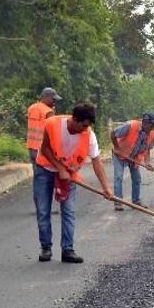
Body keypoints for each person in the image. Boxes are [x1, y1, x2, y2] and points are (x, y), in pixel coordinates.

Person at [34, 102, 113, 264]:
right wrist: (59, 168)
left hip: (69, 174)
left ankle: (67, 250)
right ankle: (46, 247)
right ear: (74, 119)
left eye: (88, 126)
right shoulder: (52, 123)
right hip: (45, 169)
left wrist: (107, 188)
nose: (86, 129)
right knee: (43, 210)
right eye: (83, 125)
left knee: (68, 211)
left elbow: (96, 162)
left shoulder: (89, 135)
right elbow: (45, 149)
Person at [110, 112, 154, 211]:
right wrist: (117, 148)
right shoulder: (130, 126)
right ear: (145, 122)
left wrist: (147, 163)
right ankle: (118, 202)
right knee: (118, 177)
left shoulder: (151, 134)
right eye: (152, 125)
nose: (153, 127)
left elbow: (147, 149)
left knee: (137, 179)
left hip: (134, 157)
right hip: (120, 155)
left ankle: (136, 201)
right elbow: (113, 133)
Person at [26, 87, 61, 165]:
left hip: (31, 146)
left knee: (36, 172)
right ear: (46, 97)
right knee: (44, 173)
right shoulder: (48, 111)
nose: (54, 102)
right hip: (43, 148)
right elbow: (53, 130)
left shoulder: (31, 108)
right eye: (53, 99)